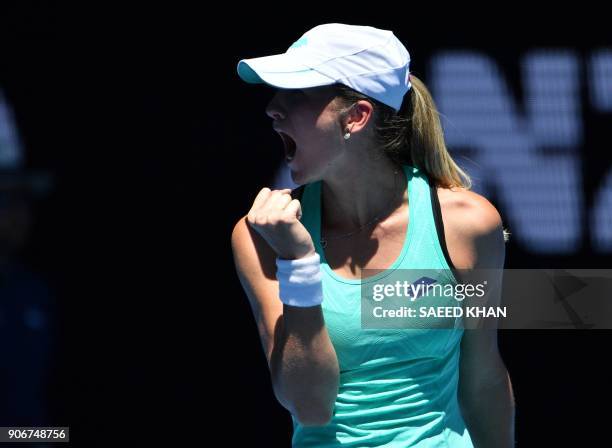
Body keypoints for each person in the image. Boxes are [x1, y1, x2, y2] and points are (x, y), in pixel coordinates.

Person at [231, 23, 514, 447]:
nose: (273, 108)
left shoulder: (468, 224)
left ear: (356, 117)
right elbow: (311, 407)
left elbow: (483, 378)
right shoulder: (259, 237)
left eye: (297, 94)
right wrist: (300, 265)